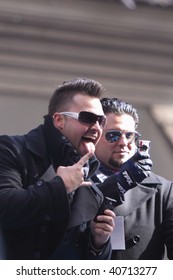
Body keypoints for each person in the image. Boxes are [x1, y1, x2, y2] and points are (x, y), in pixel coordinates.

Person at [0, 77, 115, 260]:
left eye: (101, 121)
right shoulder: (12, 149)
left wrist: (98, 242)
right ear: (59, 120)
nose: (96, 127)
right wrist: (60, 187)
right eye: (87, 118)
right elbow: (4, 207)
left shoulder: (93, 175)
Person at [92, 97, 173, 260]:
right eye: (113, 136)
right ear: (94, 136)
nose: (123, 143)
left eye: (129, 135)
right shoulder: (75, 181)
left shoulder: (164, 190)